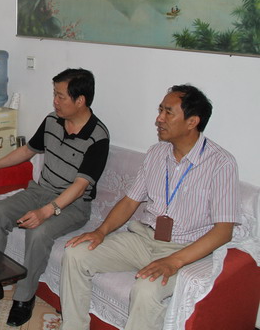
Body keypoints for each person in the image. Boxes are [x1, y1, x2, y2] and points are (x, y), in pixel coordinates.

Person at [60, 84, 241, 330]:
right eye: (160, 110)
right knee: (76, 253)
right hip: (143, 239)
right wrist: (101, 232)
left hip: (185, 249)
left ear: (192, 122)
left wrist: (174, 261)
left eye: (168, 112)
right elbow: (130, 201)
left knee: (146, 289)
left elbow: (223, 232)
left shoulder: (221, 163)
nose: (159, 119)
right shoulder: (156, 153)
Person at [0, 68, 110, 327]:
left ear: (80, 100)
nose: (55, 101)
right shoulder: (52, 120)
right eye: (54, 94)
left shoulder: (98, 136)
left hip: (73, 205)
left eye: (60, 96)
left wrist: (45, 212)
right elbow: (27, 150)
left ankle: (24, 298)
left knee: (39, 232)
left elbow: (80, 187)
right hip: (40, 191)